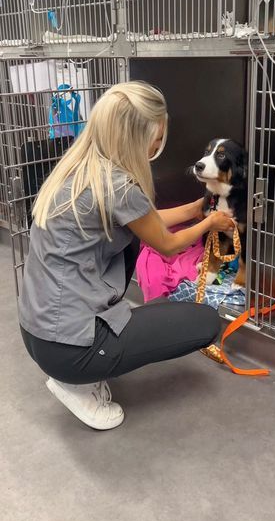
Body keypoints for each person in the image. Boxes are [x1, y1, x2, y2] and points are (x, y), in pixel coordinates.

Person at [19, 82, 234, 431]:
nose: (157, 145)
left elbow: (142, 221)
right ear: (138, 135)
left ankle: (75, 371)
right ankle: (79, 382)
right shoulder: (119, 185)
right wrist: (211, 221)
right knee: (205, 322)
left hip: (38, 333)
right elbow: (163, 242)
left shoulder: (78, 169)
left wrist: (196, 209)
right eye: (157, 136)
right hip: (71, 348)